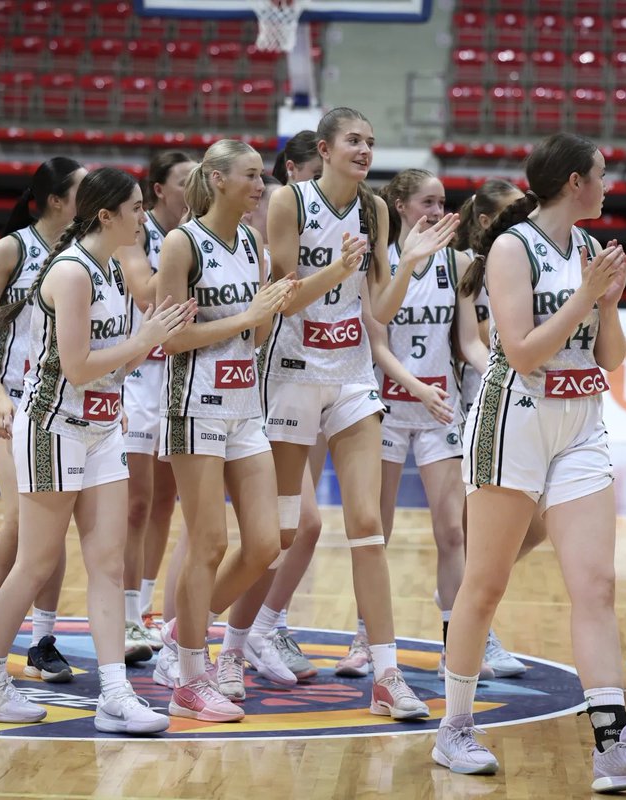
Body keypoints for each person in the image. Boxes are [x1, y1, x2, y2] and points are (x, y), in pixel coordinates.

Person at [435, 133, 626, 794]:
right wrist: (584, 297)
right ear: (574, 181)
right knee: (486, 583)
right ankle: (455, 730)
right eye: (602, 175)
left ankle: (613, 746)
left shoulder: (588, 251)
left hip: (581, 426)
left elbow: (611, 358)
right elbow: (520, 352)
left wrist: (608, 303)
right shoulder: (511, 247)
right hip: (513, 422)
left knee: (597, 586)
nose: (608, 186)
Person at [0, 167, 195, 734]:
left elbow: (120, 363)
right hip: (52, 425)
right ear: (106, 215)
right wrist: (143, 340)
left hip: (102, 426)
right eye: (137, 208)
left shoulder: (115, 267)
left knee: (108, 563)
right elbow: (79, 365)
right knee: (36, 560)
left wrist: (151, 339)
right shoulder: (70, 272)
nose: (145, 218)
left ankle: (115, 693)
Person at [261, 107, 458, 718]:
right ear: (324, 147)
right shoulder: (289, 201)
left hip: (351, 378)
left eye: (371, 141)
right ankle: (235, 640)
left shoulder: (374, 210)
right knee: (280, 531)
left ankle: (387, 674)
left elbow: (379, 312)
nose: (365, 149)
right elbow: (285, 295)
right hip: (292, 374)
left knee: (368, 525)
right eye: (354, 140)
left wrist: (409, 266)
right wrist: (338, 268)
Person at [153, 139, 299, 719]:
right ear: (216, 179)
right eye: (251, 175)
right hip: (196, 405)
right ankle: (191, 674)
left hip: (246, 406)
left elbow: (254, 336)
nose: (261, 186)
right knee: (209, 542)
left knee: (266, 542)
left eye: (262, 176)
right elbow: (169, 337)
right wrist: (248, 315)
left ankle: (177, 635)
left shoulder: (253, 244)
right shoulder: (181, 243)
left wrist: (271, 312)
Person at [0, 157, 86, 681]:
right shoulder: (11, 249)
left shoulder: (85, 254)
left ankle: (42, 639)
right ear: (56, 199)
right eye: (83, 189)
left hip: (62, 403)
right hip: (11, 399)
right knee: (22, 521)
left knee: (51, 530)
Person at [369, 169, 487, 677]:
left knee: (452, 534)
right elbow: (376, 340)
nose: (438, 212)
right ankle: (363, 638)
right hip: (388, 406)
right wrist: (415, 387)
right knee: (376, 532)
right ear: (399, 204)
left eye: (442, 203)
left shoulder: (458, 261)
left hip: (440, 409)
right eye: (427, 202)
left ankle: (452, 644)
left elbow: (469, 342)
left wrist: (502, 370)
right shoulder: (379, 261)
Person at [224, 131, 328, 684]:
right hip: (257, 388)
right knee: (218, 536)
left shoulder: (331, 221)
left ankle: (258, 629)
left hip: (310, 378)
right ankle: (192, 639)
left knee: (294, 528)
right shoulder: (256, 234)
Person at [450, 181, 548, 679]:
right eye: (517, 210)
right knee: (466, 536)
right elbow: (470, 340)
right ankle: (475, 635)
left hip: (521, 396)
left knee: (540, 523)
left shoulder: (528, 257)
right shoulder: (468, 266)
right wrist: (499, 357)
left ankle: (469, 623)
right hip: (477, 400)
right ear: (488, 220)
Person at [115, 150, 196, 660]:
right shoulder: (139, 235)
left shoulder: (202, 237)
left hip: (179, 375)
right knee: (137, 503)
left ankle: (143, 610)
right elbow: (148, 298)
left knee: (166, 500)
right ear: (160, 189)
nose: (193, 187)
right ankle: (124, 617)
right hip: (140, 377)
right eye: (184, 180)